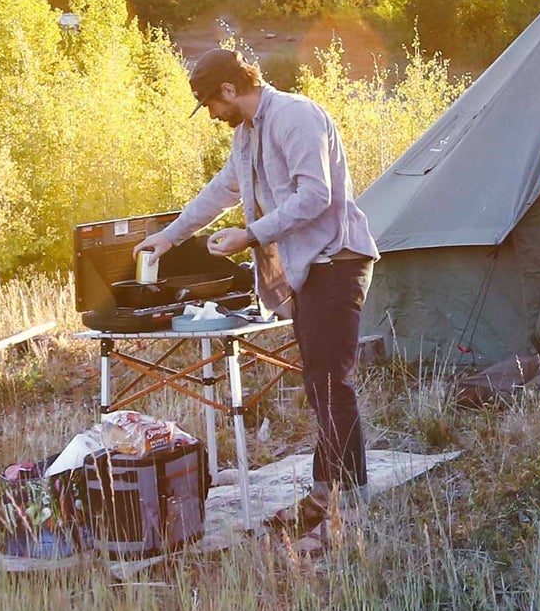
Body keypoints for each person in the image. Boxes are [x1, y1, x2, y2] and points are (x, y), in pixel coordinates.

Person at [150, 45, 378, 553]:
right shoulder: (246, 136)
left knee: (329, 383)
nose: (212, 115)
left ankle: (339, 504)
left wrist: (250, 235)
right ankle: (334, 494)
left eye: (211, 103)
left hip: (336, 261)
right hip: (308, 268)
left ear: (230, 90)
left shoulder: (295, 116)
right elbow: (220, 191)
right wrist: (170, 237)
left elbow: (315, 195)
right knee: (322, 382)